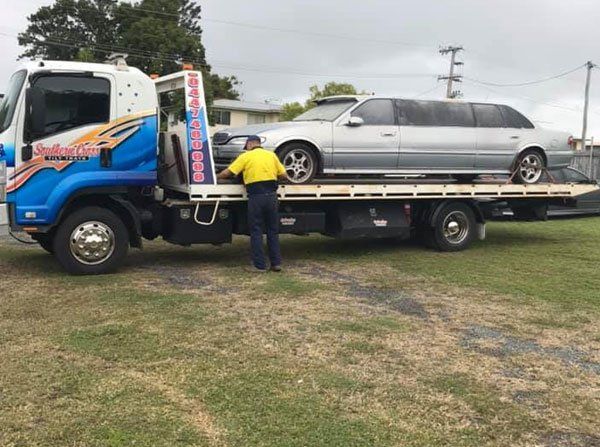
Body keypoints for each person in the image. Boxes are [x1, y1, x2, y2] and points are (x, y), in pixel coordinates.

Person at [217, 135, 288, 272]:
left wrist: (215, 176)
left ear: (249, 144)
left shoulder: (246, 156)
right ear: (259, 144)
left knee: (256, 231)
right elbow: (284, 175)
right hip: (272, 197)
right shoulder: (271, 155)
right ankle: (276, 264)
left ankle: (259, 266)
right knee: (273, 231)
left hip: (256, 197)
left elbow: (229, 172)